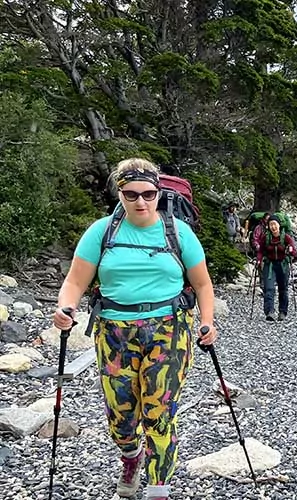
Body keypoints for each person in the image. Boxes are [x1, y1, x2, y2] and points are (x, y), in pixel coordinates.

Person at [52, 158, 218, 500]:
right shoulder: (102, 231)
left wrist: (206, 321)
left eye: (148, 193)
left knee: (159, 414)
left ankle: (158, 489)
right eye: (131, 194)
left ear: (159, 192)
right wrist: (64, 308)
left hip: (169, 330)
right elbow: (74, 281)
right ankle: (131, 456)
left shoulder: (178, 231)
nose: (140, 201)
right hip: (113, 332)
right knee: (121, 418)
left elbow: (202, 284)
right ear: (120, 193)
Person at [256, 215, 297, 321]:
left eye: (275, 224)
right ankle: (269, 312)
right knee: (269, 288)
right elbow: (261, 250)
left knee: (283, 289)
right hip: (270, 265)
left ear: (279, 225)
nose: (273, 227)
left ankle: (282, 312)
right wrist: (259, 260)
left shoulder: (286, 237)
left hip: (282, 265)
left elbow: (294, 252)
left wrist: (291, 250)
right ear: (268, 226)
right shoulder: (266, 237)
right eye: (271, 224)